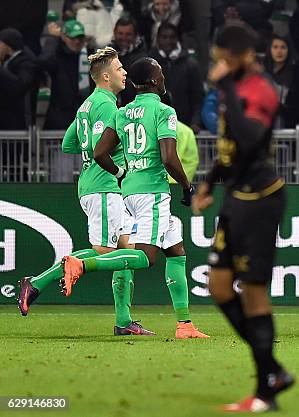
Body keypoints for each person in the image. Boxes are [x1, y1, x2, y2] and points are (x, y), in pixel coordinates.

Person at [57, 57, 208, 339]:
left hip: (127, 191)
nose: (164, 78)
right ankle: (82, 264)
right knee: (145, 258)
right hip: (152, 192)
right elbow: (168, 157)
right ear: (153, 81)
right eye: (161, 74)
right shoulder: (164, 111)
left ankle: (184, 325)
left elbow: (100, 153)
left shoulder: (122, 112)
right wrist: (187, 186)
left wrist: (120, 172)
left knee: (175, 250)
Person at [191, 23, 294, 412]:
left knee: (252, 291)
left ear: (245, 57)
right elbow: (232, 148)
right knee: (219, 286)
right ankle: (272, 369)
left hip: (261, 199)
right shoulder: (230, 88)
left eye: (224, 59)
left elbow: (250, 138)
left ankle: (266, 389)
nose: (218, 66)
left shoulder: (261, 89)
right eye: (216, 59)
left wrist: (228, 90)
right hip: (236, 197)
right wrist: (209, 182)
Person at [18, 47, 156, 336]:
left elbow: (69, 144)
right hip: (104, 187)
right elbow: (97, 148)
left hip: (96, 187)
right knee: (104, 254)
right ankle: (39, 282)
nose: (125, 72)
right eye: (119, 69)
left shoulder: (87, 106)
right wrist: (122, 162)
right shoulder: (107, 105)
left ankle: (124, 321)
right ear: (106, 76)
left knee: (125, 253)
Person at [39, 19, 93, 129]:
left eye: (80, 38)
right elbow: (43, 62)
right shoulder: (57, 57)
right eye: (73, 38)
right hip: (60, 120)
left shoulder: (92, 57)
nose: (77, 41)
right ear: (63, 37)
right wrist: (54, 38)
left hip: (86, 120)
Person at [150, 22, 203, 133]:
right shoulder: (148, 63)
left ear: (177, 39)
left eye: (172, 37)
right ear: (158, 39)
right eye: (164, 37)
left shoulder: (190, 65)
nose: (168, 41)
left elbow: (198, 97)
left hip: (184, 127)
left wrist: (195, 122)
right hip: (154, 126)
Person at [263, 34, 299, 128]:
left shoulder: (297, 75)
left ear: (289, 50)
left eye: (283, 47)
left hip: (289, 126)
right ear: (269, 50)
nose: (279, 51)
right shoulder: (262, 73)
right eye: (275, 47)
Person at [0, 28, 38, 130]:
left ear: (7, 45)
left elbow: (19, 85)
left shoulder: (26, 63)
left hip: (18, 122)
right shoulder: (6, 62)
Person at [161, 93, 200, 183]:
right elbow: (192, 161)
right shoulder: (187, 131)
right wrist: (183, 181)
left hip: (153, 185)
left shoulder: (147, 128)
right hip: (178, 183)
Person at [109, 17, 148, 106]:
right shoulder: (107, 55)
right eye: (120, 34)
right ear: (114, 33)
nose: (124, 38)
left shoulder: (143, 59)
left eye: (128, 34)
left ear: (135, 35)